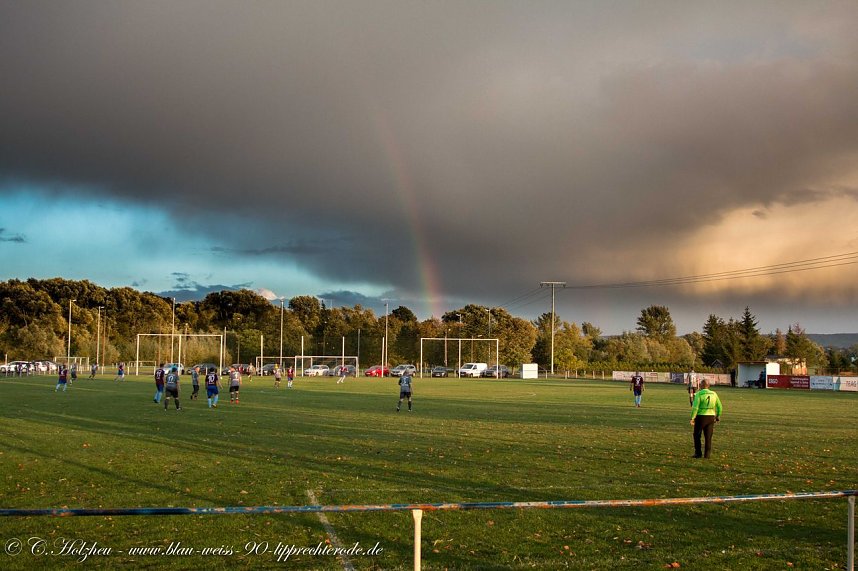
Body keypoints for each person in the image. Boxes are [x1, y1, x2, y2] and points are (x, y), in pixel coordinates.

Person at [690, 379, 723, 459]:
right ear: (709, 386)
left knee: (697, 435)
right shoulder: (714, 394)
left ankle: (698, 453)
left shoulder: (699, 394)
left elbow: (695, 407)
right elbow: (719, 406)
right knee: (708, 437)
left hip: (701, 417)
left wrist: (692, 418)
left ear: (701, 385)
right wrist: (718, 415)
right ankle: (707, 455)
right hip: (711, 416)